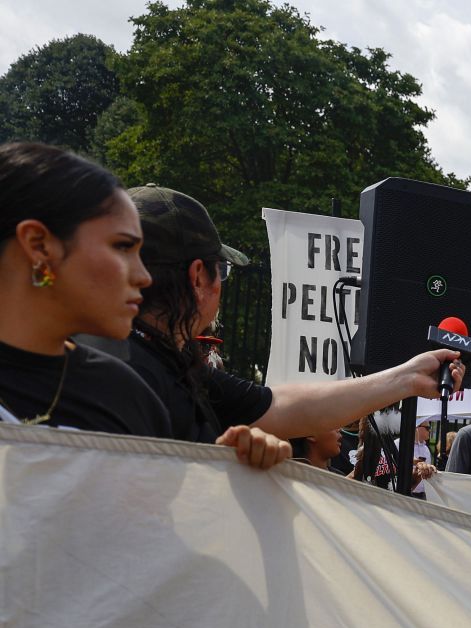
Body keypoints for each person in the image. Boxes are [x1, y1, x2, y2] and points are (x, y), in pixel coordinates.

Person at [0, 142, 289, 467]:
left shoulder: (124, 390)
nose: (142, 275)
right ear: (39, 246)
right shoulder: (128, 379)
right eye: (121, 246)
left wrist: (217, 472)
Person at [105, 185, 458, 448]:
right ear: (198, 276)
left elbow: (283, 406)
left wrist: (409, 377)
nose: (222, 287)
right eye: (222, 270)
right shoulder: (125, 376)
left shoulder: (168, 364)